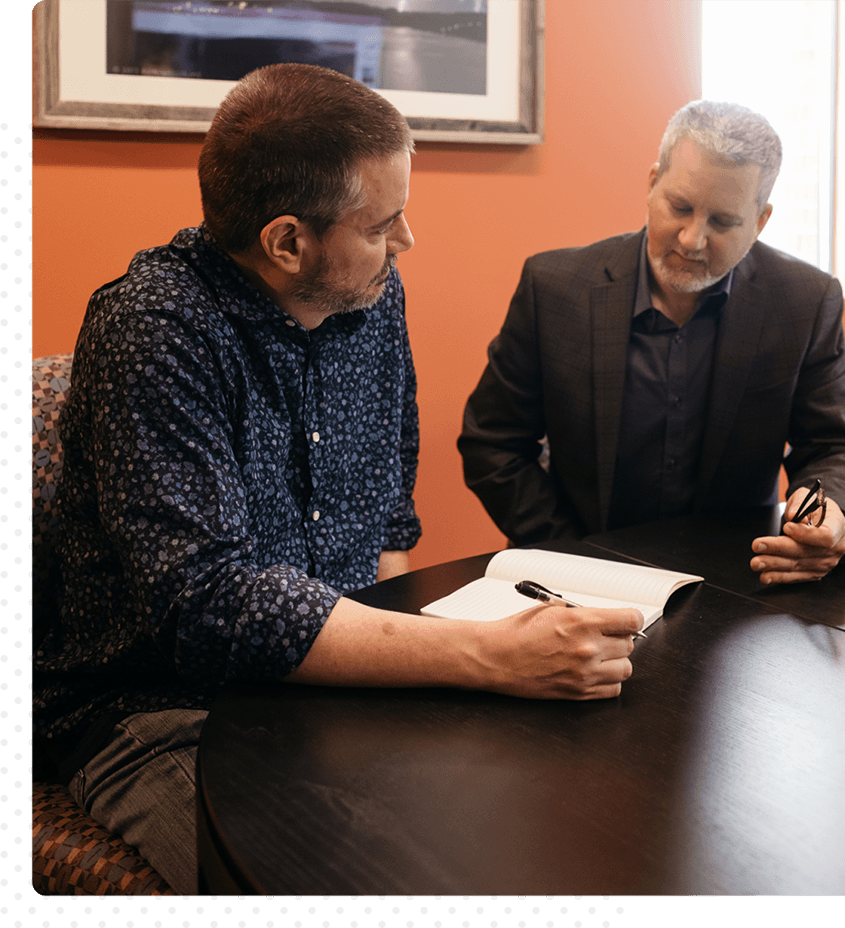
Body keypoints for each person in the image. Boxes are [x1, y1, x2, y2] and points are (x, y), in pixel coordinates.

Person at [33, 63, 641, 895]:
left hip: (332, 684)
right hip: (161, 709)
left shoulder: (370, 292)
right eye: (385, 222)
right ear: (288, 242)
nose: (407, 241)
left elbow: (389, 499)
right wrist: (485, 657)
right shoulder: (154, 328)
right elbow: (209, 608)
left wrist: (426, 660)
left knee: (530, 834)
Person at [459, 100, 845, 585]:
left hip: (737, 583)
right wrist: (568, 553)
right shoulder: (554, 287)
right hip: (575, 578)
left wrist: (831, 517)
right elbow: (492, 443)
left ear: (760, 221)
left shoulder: (805, 300)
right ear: (652, 182)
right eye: (679, 207)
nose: (692, 239)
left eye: (723, 222)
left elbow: (839, 448)